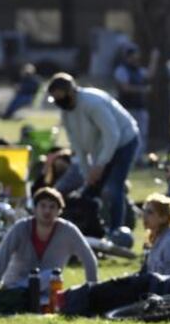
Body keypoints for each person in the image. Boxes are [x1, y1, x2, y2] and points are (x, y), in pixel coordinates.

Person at [46, 73, 139, 233]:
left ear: (72, 92)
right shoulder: (66, 112)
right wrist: (87, 173)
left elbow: (112, 134)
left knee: (112, 188)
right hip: (102, 148)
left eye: (62, 98)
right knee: (89, 191)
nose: (60, 103)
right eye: (56, 100)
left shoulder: (92, 103)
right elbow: (78, 146)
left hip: (124, 141)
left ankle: (117, 230)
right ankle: (91, 228)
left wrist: (101, 164)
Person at [0, 188, 99, 302]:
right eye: (43, 205)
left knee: (52, 277)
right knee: (48, 277)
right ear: (35, 209)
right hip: (15, 287)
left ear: (59, 211)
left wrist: (91, 294)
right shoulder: (20, 228)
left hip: (47, 291)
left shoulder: (68, 231)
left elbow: (89, 260)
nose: (47, 211)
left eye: (52, 207)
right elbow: (1, 260)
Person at [113, 44, 159, 162]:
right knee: (127, 134)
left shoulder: (137, 70)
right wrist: (142, 89)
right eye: (132, 56)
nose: (135, 59)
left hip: (140, 107)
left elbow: (149, 74)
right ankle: (126, 158)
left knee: (142, 134)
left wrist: (154, 58)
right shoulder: (121, 70)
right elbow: (125, 88)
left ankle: (138, 158)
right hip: (127, 108)